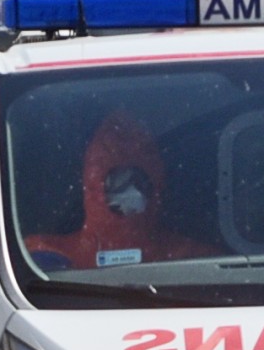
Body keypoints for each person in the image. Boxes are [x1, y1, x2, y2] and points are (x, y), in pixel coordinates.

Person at [22, 112, 210, 270]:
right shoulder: (46, 257)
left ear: (157, 185)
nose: (133, 193)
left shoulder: (195, 260)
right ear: (93, 188)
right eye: (119, 186)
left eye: (140, 183)